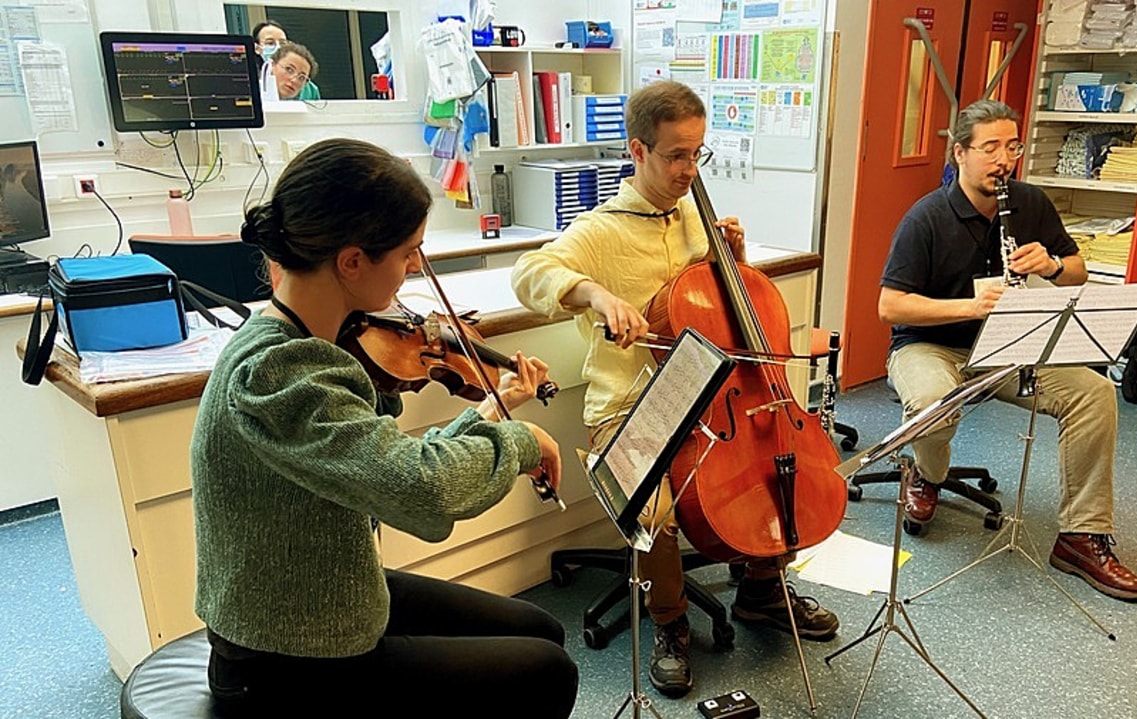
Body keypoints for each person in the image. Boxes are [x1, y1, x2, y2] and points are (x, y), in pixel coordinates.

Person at [190, 138, 578, 717]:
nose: (416, 268)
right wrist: (520, 442)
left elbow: (381, 463)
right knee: (547, 672)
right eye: (408, 252)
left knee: (540, 628)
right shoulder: (277, 370)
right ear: (351, 261)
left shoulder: (307, 344)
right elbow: (420, 489)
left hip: (326, 592)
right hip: (284, 655)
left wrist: (488, 417)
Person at [511, 80, 839, 699]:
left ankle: (762, 593)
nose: (691, 169)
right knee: (653, 499)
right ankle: (669, 624)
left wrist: (733, 260)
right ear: (638, 150)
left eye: (698, 153)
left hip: (719, 396)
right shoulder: (599, 230)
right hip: (633, 402)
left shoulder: (697, 213)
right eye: (676, 156)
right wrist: (596, 294)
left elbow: (721, 311)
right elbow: (531, 273)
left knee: (774, 462)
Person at [878, 99, 1137, 602]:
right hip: (930, 344)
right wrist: (969, 306)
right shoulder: (927, 217)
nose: (1004, 160)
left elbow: (1077, 270)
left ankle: (1080, 536)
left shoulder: (1030, 203)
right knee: (934, 405)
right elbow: (890, 306)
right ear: (960, 153)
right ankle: (927, 474)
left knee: (1093, 394)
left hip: (1009, 346)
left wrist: (1050, 266)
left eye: (1012, 146)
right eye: (990, 148)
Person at [250, 21, 321, 101]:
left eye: (282, 43)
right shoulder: (250, 86)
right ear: (257, 48)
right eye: (270, 43)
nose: (278, 47)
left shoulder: (310, 90)